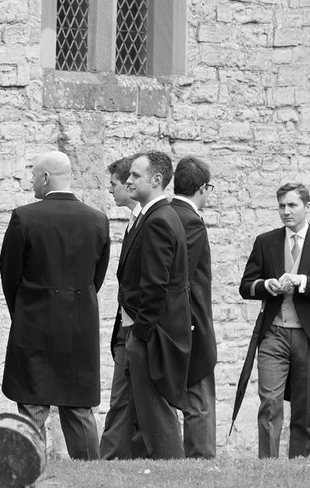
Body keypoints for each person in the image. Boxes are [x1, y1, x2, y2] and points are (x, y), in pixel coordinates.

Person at [0, 151, 111, 460]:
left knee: (32, 406)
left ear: (46, 178)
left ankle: (24, 470)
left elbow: (9, 272)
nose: (32, 182)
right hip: (79, 325)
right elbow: (95, 278)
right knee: (78, 408)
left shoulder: (25, 217)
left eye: (34, 176)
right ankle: (91, 476)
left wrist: (23, 309)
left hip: (34, 323)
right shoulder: (98, 220)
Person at [236, 183, 310, 458]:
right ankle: (268, 465)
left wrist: (303, 281)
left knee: (304, 408)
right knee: (270, 403)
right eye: (281, 206)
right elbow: (246, 286)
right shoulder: (266, 241)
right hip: (273, 334)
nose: (285, 211)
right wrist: (266, 285)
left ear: (307, 207)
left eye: (292, 205)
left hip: (309, 338)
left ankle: (299, 466)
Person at [112, 151, 191, 459]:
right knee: (138, 409)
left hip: (150, 334)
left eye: (135, 175)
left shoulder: (158, 220)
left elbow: (156, 285)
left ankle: (172, 469)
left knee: (156, 412)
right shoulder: (152, 216)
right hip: (143, 331)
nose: (128, 180)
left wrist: (141, 332)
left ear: (157, 180)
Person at [171, 156, 218, 458]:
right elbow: (182, 279)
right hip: (189, 321)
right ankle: (201, 459)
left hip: (177, 320)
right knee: (198, 396)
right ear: (202, 188)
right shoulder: (190, 221)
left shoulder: (163, 213)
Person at [98, 155, 143, 460]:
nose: (111, 190)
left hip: (138, 328)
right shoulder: (133, 219)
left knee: (126, 400)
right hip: (125, 326)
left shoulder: (148, 220)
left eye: (114, 184)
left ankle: (111, 458)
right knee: (123, 400)